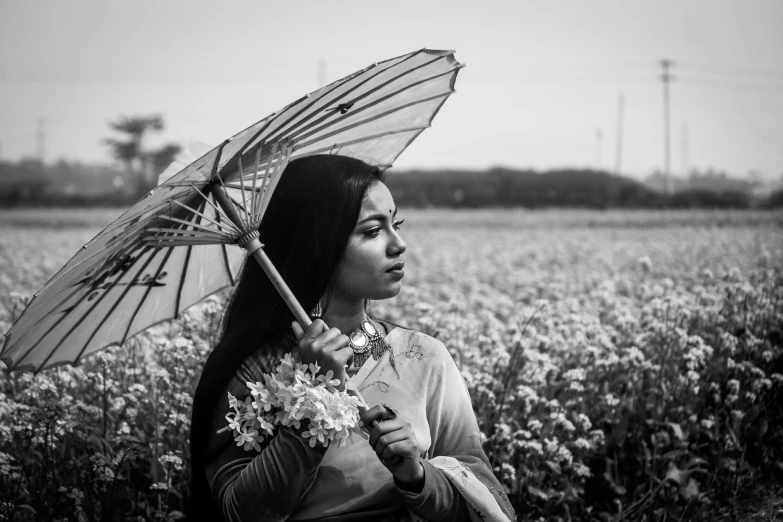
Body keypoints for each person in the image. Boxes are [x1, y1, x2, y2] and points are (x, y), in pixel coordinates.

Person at [188, 155, 515, 522]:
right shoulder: (253, 370)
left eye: (396, 223)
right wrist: (314, 399)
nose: (399, 244)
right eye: (373, 231)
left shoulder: (422, 357)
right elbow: (240, 513)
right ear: (318, 244)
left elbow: (486, 500)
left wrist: (417, 476)